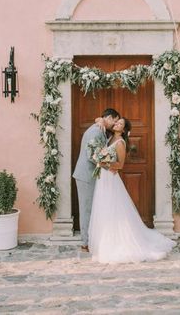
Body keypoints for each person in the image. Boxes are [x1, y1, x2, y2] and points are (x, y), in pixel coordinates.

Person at [88, 116, 176, 263]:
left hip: (110, 178)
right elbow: (99, 119)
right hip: (103, 178)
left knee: (113, 209)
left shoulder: (120, 143)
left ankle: (119, 243)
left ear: (124, 130)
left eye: (120, 123)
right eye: (116, 122)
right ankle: (105, 242)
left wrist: (102, 163)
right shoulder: (109, 138)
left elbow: (120, 165)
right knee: (104, 208)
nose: (116, 124)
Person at [72, 107, 120, 252]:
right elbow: (92, 156)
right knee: (86, 210)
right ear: (109, 118)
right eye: (115, 121)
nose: (115, 124)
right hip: (86, 176)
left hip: (90, 175)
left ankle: (91, 240)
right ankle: (85, 243)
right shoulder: (96, 131)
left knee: (91, 209)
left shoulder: (100, 129)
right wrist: (110, 166)